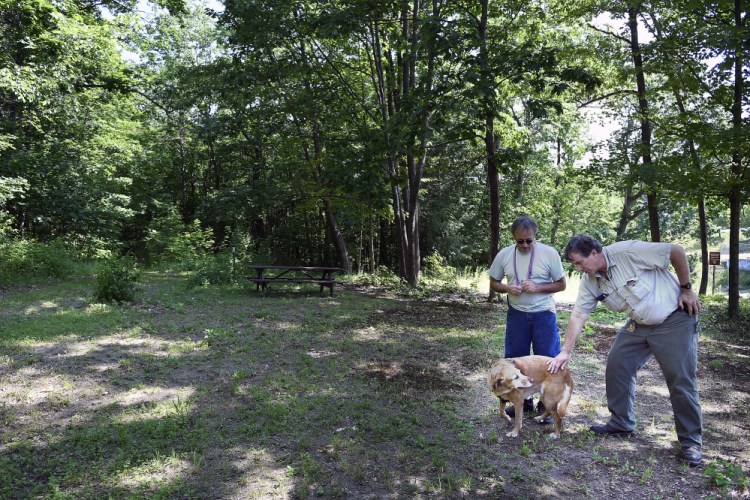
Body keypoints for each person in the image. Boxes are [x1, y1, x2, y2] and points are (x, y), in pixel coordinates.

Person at [547, 234, 703, 467]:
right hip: (639, 325)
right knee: (618, 364)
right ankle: (621, 423)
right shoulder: (591, 280)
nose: (578, 269)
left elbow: (676, 251)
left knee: (680, 380)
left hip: (673, 319)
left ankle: (691, 442)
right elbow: (579, 314)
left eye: (580, 262)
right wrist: (566, 351)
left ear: (595, 252)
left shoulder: (629, 251)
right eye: (574, 265)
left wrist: (686, 288)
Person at [489, 216, 567, 418]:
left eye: (529, 241)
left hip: (544, 313)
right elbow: (494, 283)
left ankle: (547, 405)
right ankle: (523, 402)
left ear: (535, 237)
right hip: (517, 314)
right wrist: (506, 288)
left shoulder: (549, 253)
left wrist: (538, 287)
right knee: (515, 359)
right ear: (514, 238)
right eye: (519, 241)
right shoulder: (505, 255)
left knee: (548, 359)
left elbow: (561, 284)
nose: (524, 245)